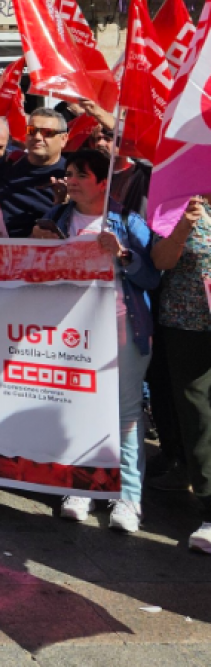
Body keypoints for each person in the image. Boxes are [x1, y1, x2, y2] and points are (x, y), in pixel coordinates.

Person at [33, 150, 159, 533]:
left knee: (125, 413)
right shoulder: (56, 217)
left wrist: (123, 255)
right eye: (69, 173)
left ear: (103, 182)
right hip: (71, 332)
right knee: (77, 407)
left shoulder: (128, 220)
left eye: (80, 175)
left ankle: (128, 498)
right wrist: (38, 246)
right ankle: (81, 487)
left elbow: (152, 278)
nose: (70, 180)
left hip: (122, 327)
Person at [151, 195, 211, 554]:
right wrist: (183, 227)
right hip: (188, 323)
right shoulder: (179, 204)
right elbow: (160, 261)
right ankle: (209, 507)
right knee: (198, 413)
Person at [0, 108, 69, 238]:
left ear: (63, 139)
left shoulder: (71, 175)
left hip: (42, 247)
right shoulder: (7, 164)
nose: (37, 137)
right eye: (32, 131)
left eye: (47, 133)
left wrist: (62, 204)